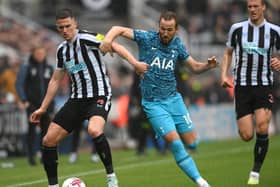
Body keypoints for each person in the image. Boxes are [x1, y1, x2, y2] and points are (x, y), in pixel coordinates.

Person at [29, 8, 147, 187]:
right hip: (76, 100)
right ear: (57, 28)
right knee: (48, 140)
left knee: (94, 130)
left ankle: (111, 177)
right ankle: (52, 185)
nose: (65, 30)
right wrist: (43, 108)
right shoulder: (62, 51)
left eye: (68, 26)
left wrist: (135, 63)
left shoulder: (87, 38)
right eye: (61, 27)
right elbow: (55, 80)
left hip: (99, 95)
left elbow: (115, 45)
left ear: (75, 23)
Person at [100, 11, 218, 187]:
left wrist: (208, 66)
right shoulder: (147, 38)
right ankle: (201, 182)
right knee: (175, 144)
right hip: (153, 104)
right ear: (159, 27)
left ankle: (192, 150)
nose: (165, 33)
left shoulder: (178, 44)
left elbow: (193, 66)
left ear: (176, 30)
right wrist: (108, 40)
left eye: (169, 29)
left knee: (192, 143)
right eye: (162, 28)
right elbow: (117, 28)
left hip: (174, 100)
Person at [220, 0, 280, 185]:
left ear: (263, 7)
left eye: (256, 6)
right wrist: (223, 75)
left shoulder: (275, 31)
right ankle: (251, 139)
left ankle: (255, 172)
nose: (253, 9)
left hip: (264, 85)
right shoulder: (237, 29)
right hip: (242, 87)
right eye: (250, 6)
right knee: (247, 135)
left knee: (263, 126)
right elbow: (228, 53)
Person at [16, 46, 54, 166]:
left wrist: (51, 102)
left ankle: (44, 157)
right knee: (32, 131)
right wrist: (24, 100)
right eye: (38, 53)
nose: (40, 55)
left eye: (42, 53)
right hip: (32, 105)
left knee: (46, 132)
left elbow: (53, 86)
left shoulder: (49, 68)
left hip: (46, 105)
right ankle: (31, 157)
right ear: (33, 54)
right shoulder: (26, 67)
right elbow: (19, 84)